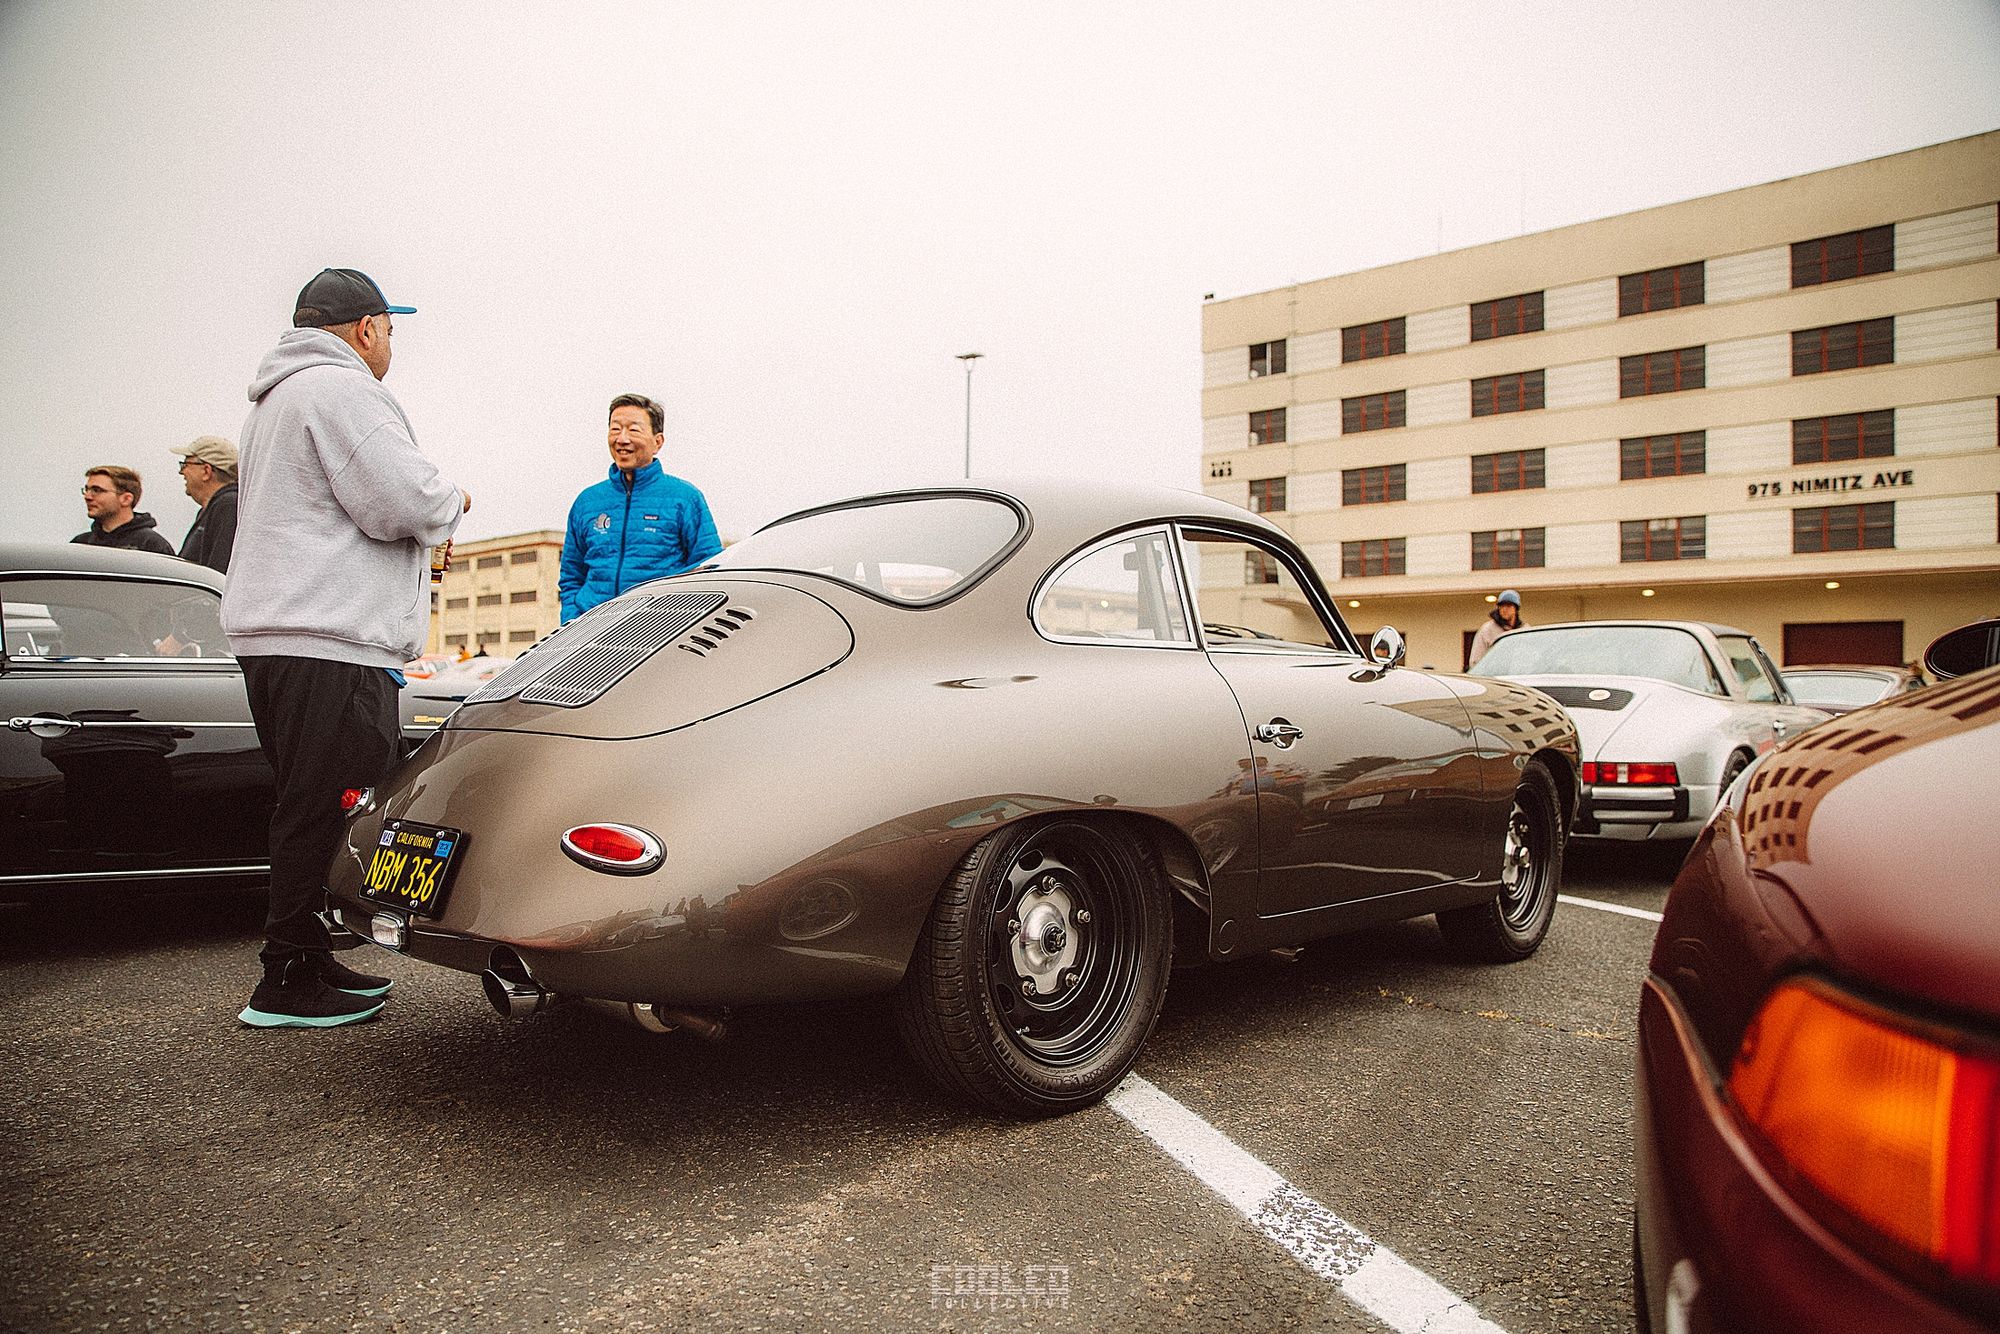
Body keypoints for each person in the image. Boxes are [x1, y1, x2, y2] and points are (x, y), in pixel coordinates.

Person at [222, 267, 471, 1029]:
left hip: (283, 632)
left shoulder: (277, 399)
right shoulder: (342, 389)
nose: (389, 344)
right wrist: (455, 501)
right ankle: (287, 976)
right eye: (389, 330)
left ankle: (306, 953)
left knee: (307, 802)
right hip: (328, 637)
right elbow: (403, 500)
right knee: (324, 807)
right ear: (366, 329)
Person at [558, 392, 721, 623]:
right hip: (593, 631)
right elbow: (571, 576)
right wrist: (572, 620)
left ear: (658, 442)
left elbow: (710, 571)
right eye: (615, 429)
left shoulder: (685, 498)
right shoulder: (587, 502)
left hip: (657, 631)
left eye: (634, 430)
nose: (622, 439)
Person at [171, 435, 241, 572]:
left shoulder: (228, 506)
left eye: (185, 464)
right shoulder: (216, 507)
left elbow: (218, 572)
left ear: (206, 471)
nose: (181, 472)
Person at [72, 466, 175, 554]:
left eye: (97, 490)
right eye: (87, 490)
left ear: (126, 499)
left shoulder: (151, 546)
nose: (87, 497)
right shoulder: (80, 545)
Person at [1468, 589, 1524, 668]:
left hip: (1518, 673)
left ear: (1516, 609)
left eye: (1508, 606)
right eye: (1502, 606)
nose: (1504, 609)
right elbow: (1476, 660)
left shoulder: (1524, 630)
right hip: (1494, 673)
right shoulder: (1487, 630)